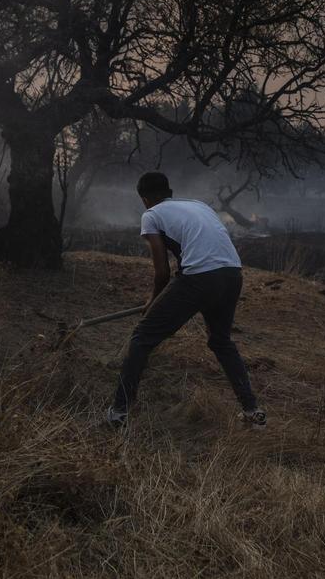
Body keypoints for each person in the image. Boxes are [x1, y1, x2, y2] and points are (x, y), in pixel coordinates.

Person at [106, 172, 267, 429]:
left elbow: (162, 273)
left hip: (200, 278)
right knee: (221, 341)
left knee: (142, 337)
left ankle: (119, 413)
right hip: (232, 274)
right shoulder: (198, 205)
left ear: (145, 199)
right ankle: (252, 412)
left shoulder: (151, 215)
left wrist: (152, 301)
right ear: (169, 191)